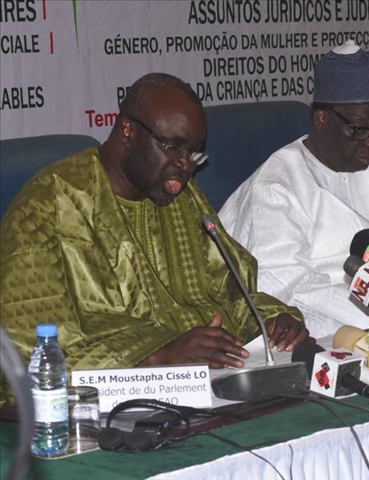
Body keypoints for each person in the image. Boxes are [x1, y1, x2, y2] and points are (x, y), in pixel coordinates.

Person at [0, 73, 308, 406]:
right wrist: (156, 360)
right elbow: (26, 356)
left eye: (195, 154)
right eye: (172, 147)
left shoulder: (179, 196)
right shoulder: (46, 208)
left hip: (218, 386)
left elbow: (231, 293)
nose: (185, 166)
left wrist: (271, 321)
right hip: (114, 409)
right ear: (127, 130)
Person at [219, 41, 369, 337]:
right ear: (321, 119)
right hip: (324, 330)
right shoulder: (275, 189)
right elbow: (286, 285)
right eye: (359, 130)